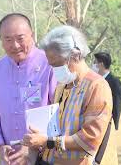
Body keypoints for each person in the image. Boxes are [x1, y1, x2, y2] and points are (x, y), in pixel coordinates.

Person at [22, 25, 112, 164]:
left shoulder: (96, 86)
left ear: (75, 55)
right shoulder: (62, 86)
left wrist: (48, 141)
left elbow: (90, 139)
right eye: (51, 65)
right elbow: (56, 127)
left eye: (58, 64)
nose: (55, 69)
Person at [0, 13, 57, 165]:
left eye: (20, 38)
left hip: (46, 156)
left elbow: (61, 110)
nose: (15, 45)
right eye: (8, 39)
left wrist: (34, 146)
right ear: (1, 40)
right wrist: (0, 144)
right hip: (10, 159)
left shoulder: (50, 64)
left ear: (32, 35)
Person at [92, 52, 121, 164]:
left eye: (94, 62)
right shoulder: (95, 81)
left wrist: (115, 123)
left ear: (101, 64)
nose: (93, 65)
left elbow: (118, 103)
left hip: (108, 122)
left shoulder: (114, 81)